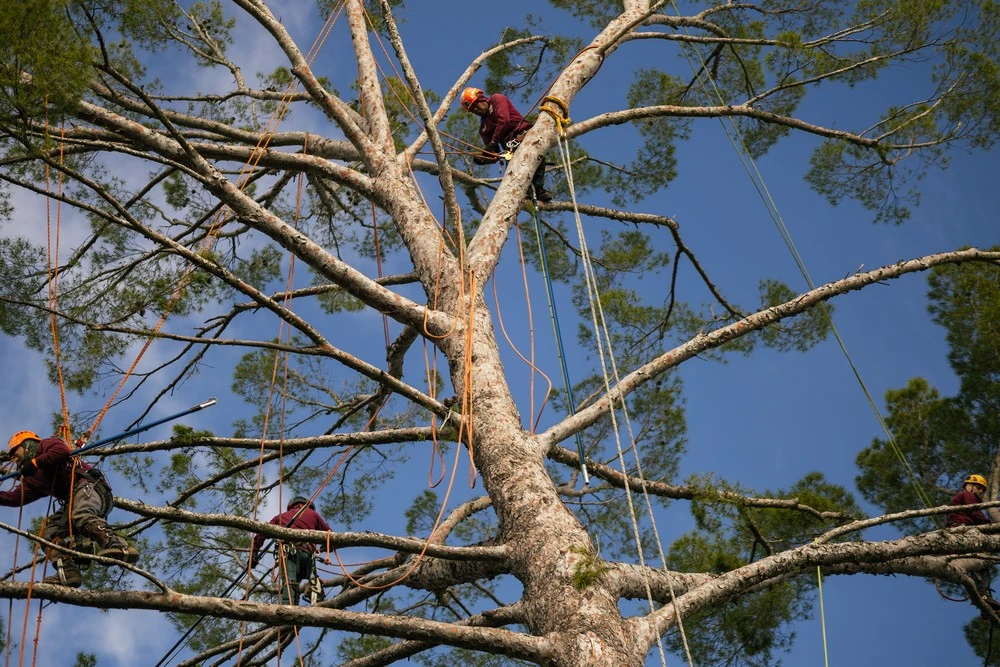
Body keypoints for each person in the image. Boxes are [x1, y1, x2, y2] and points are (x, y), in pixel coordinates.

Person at [0, 430, 139, 587]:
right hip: (75, 499)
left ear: (26, 445)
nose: (13, 457)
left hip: (90, 486)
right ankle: (68, 573)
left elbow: (62, 452)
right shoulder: (32, 480)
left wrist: (35, 463)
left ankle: (119, 546)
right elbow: (14, 498)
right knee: (49, 534)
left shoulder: (45, 445)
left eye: (14, 451)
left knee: (81, 514)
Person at [460, 86, 552, 202]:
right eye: (472, 110)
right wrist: (484, 158)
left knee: (536, 156)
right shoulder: (483, 128)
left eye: (475, 105)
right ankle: (527, 193)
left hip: (524, 135)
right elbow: (495, 155)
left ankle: (539, 190)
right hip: (509, 149)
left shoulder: (496, 99)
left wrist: (493, 142)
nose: (475, 110)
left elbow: (504, 120)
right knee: (514, 175)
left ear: (482, 99)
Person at [250, 495, 331, 605]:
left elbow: (261, 534)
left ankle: (287, 611)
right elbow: (329, 533)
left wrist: (254, 553)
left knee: (289, 583)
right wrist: (325, 547)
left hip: (290, 554)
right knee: (309, 582)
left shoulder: (280, 517)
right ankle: (318, 602)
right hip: (308, 557)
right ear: (303, 505)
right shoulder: (314, 515)